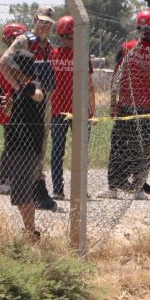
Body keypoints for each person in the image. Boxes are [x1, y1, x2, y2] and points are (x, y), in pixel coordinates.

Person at [99, 11, 150, 199]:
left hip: (134, 107)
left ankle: (122, 187)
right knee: (137, 147)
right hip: (140, 108)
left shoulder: (149, 51)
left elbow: (116, 78)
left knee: (124, 146)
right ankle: (131, 188)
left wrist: (113, 103)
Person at [0, 51, 47, 239]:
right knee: (20, 192)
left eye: (13, 69)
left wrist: (25, 89)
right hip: (15, 146)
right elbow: (13, 115)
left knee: (21, 191)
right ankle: (29, 229)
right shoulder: (18, 90)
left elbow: (39, 95)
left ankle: (31, 231)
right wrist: (8, 108)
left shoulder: (32, 86)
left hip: (26, 148)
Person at [48, 16, 94, 199]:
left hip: (80, 111)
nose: (72, 40)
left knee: (81, 152)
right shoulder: (53, 54)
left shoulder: (82, 55)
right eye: (68, 36)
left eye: (74, 36)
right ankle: (58, 189)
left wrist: (93, 108)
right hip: (58, 110)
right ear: (61, 35)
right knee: (57, 150)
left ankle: (80, 188)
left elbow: (89, 84)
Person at [0, 22, 28, 196]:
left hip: (17, 103)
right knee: (12, 143)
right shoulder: (9, 60)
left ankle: (13, 178)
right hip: (10, 104)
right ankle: (4, 180)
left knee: (18, 143)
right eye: (14, 39)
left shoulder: (16, 59)